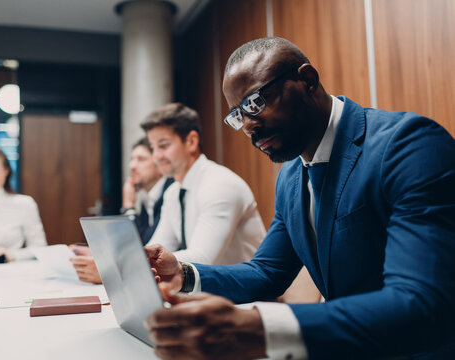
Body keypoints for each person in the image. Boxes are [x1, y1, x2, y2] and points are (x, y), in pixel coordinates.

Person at [144, 37, 455, 359]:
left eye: (255, 102)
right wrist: (184, 273)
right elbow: (267, 273)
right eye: (238, 114)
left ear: (307, 80)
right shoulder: (291, 177)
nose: (249, 125)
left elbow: (421, 301)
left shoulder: (409, 145)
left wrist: (259, 328)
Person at [143, 103, 265, 265]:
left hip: (245, 289)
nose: (156, 156)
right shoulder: (173, 192)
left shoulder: (220, 184)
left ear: (191, 141)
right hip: (206, 288)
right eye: (153, 148)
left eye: (164, 145)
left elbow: (202, 260)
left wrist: (137, 262)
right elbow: (157, 247)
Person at [69, 137, 173, 283]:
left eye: (141, 159)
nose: (132, 165)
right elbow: (139, 247)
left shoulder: (170, 194)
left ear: (160, 165)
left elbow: (146, 247)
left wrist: (129, 206)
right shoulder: (148, 200)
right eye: (132, 159)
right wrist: (99, 253)